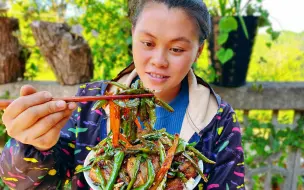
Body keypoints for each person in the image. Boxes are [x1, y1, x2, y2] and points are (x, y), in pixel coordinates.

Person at [0, 0, 245, 189]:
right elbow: (24, 183)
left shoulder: (218, 119)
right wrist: (31, 146)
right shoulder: (92, 101)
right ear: (133, 35)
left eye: (177, 49)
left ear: (198, 51)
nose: (158, 61)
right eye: (147, 43)